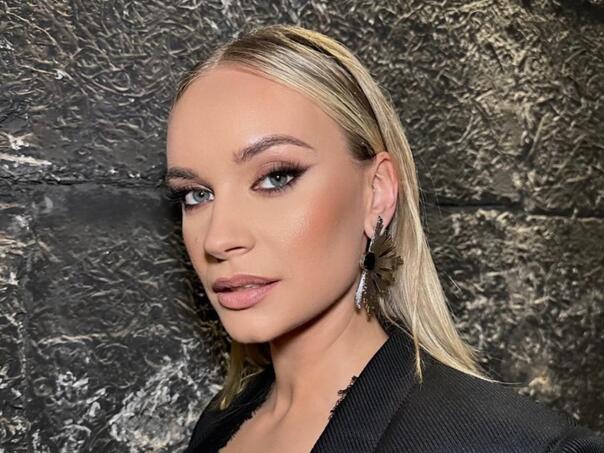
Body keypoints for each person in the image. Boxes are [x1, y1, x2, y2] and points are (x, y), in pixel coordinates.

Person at [163, 24, 604, 453]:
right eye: (195, 195)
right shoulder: (218, 424)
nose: (218, 238)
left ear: (376, 192)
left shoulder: (516, 444)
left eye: (276, 177)